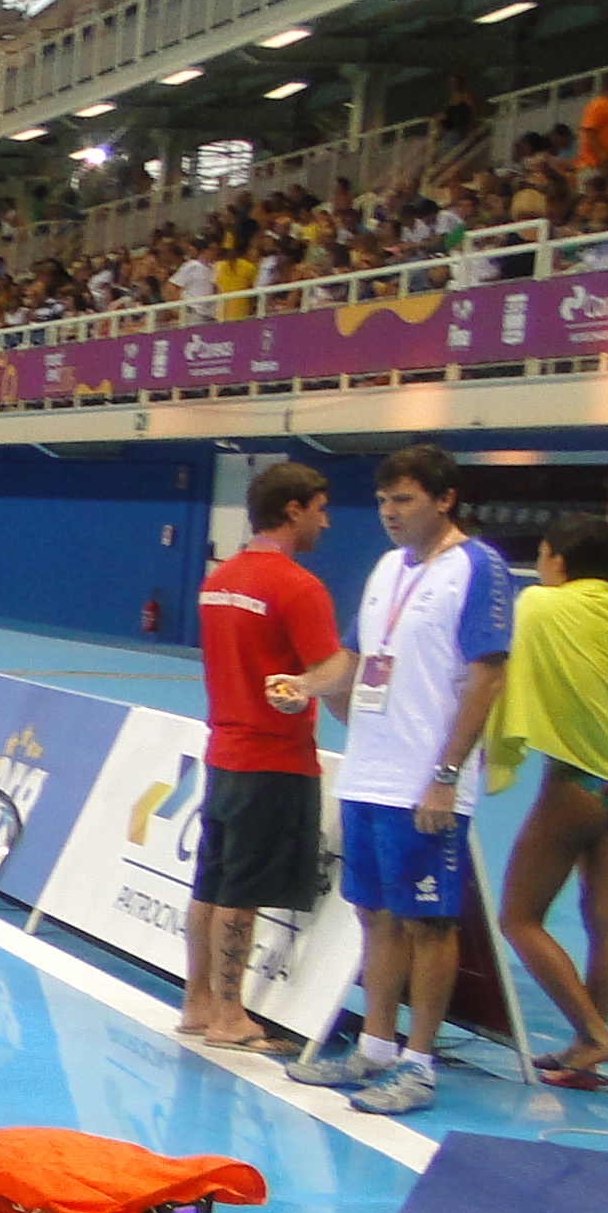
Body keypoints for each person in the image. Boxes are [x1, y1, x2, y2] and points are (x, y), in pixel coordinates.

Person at [268, 446, 512, 1116]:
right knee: (373, 917)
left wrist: (445, 776)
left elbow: (488, 677)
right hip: (368, 777)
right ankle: (374, 1049)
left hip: (424, 784)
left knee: (427, 923)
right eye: (382, 501)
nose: (389, 513)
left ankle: (419, 1066)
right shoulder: (385, 568)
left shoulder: (477, 567)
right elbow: (352, 660)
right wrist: (303, 685)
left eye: (403, 500)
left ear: (445, 499)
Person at [486, 512, 608, 1083]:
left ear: (558, 560)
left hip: (577, 788)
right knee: (607, 925)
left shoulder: (540, 605)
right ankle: (584, 1056)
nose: (538, 567)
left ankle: (594, 1034)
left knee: (518, 918)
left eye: (542, 555)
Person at [184, 462, 343, 1048]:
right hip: (273, 760)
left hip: (224, 754)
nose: (326, 523)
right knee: (242, 893)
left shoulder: (217, 581)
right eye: (320, 509)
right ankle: (230, 1016)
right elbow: (328, 668)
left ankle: (198, 1003)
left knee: (211, 883)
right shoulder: (298, 587)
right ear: (293, 510)